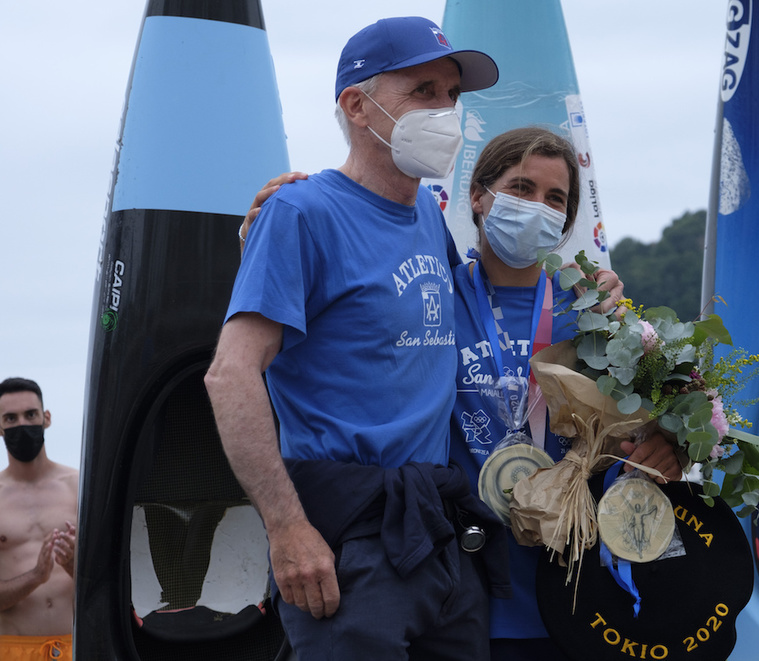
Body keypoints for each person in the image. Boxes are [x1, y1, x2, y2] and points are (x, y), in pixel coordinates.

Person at [243, 127, 684, 660]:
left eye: (555, 199)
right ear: (478, 196)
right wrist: (264, 237)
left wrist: (670, 446)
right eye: (520, 188)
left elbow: (675, 419)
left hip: (580, 594)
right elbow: (326, 311)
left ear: (567, 222)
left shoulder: (592, 316)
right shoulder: (428, 297)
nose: (536, 207)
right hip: (465, 593)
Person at [204, 16, 504, 661]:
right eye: (423, 91)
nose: (446, 111)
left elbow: (479, 320)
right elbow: (229, 375)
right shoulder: (299, 212)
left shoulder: (428, 212)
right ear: (356, 105)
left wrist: (590, 296)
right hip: (351, 538)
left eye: (453, 95)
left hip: (437, 529)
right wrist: (287, 529)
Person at [0, 378, 78, 660]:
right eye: (11, 417)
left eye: (30, 414)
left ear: (46, 418)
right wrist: (36, 576)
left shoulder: (79, 486)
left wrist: (72, 565)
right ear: (0, 426)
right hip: (14, 650)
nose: (22, 424)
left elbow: (106, 584)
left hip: (76, 646)